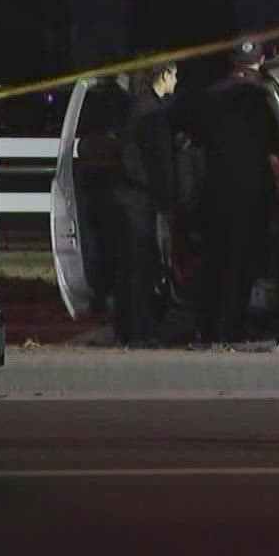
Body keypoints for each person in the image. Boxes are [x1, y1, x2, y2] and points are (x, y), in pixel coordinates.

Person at [188, 44, 279, 345]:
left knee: (215, 263)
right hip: (250, 198)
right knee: (240, 266)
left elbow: (193, 143)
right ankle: (231, 330)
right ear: (261, 61)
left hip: (214, 194)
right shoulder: (263, 99)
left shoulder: (209, 98)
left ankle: (209, 327)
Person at [112, 63, 177, 345]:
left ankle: (129, 328)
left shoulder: (142, 107)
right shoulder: (150, 111)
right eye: (174, 74)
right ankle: (138, 332)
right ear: (164, 75)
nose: (176, 80)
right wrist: (160, 193)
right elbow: (145, 161)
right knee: (139, 268)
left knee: (133, 267)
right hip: (137, 200)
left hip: (133, 199)